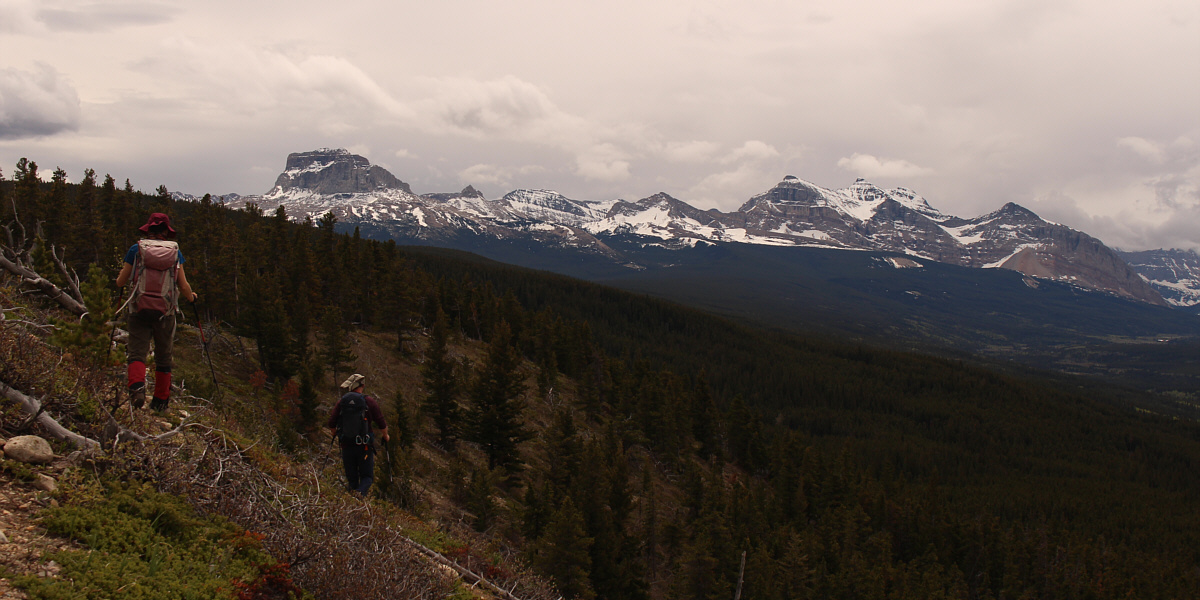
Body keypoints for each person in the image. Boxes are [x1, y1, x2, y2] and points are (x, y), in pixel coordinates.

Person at [115, 213, 197, 411]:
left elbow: (120, 281)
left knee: (137, 352)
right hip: (165, 312)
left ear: (148, 229)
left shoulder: (136, 249)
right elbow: (183, 285)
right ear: (166, 231)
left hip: (138, 309)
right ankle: (160, 402)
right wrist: (192, 297)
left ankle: (136, 389)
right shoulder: (175, 252)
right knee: (163, 355)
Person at [327, 373, 390, 495]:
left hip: (346, 445)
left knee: (352, 479)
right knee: (367, 477)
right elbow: (381, 422)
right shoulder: (369, 401)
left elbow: (331, 423)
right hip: (364, 446)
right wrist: (385, 436)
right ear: (363, 385)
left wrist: (336, 434)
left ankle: (352, 501)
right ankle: (359, 497)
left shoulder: (342, 402)